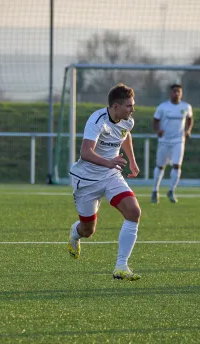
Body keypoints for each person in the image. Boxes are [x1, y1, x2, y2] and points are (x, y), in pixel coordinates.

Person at [67, 83, 142, 281]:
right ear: (115, 106)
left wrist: (132, 162)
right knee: (87, 230)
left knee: (134, 212)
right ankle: (74, 235)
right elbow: (85, 152)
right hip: (87, 180)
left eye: (132, 105)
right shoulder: (97, 121)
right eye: (129, 106)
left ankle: (121, 266)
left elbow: (125, 136)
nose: (132, 109)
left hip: (111, 176)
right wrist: (108, 162)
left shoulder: (127, 121)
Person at [151, 84, 193, 204]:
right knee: (160, 166)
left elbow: (190, 119)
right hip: (164, 140)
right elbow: (155, 121)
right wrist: (158, 130)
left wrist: (188, 130)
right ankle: (155, 191)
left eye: (179, 92)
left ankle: (171, 190)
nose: (176, 94)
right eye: (174, 91)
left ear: (182, 93)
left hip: (179, 141)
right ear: (170, 93)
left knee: (177, 165)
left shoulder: (186, 106)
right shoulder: (163, 107)